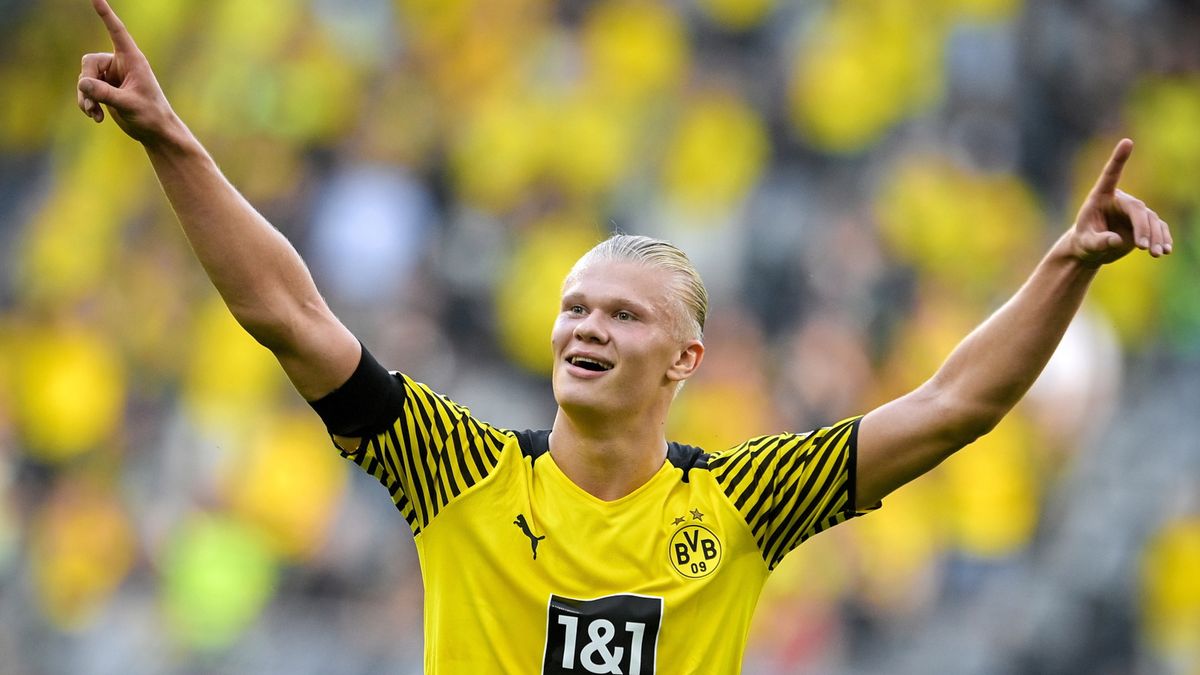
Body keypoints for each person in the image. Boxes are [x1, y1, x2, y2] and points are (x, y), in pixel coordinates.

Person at [76, 0, 1174, 672]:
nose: (583, 326)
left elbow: (954, 405)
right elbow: (288, 313)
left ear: (686, 359)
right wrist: (170, 138)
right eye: (573, 307)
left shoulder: (744, 501)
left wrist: (1068, 263)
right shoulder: (457, 470)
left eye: (621, 312)